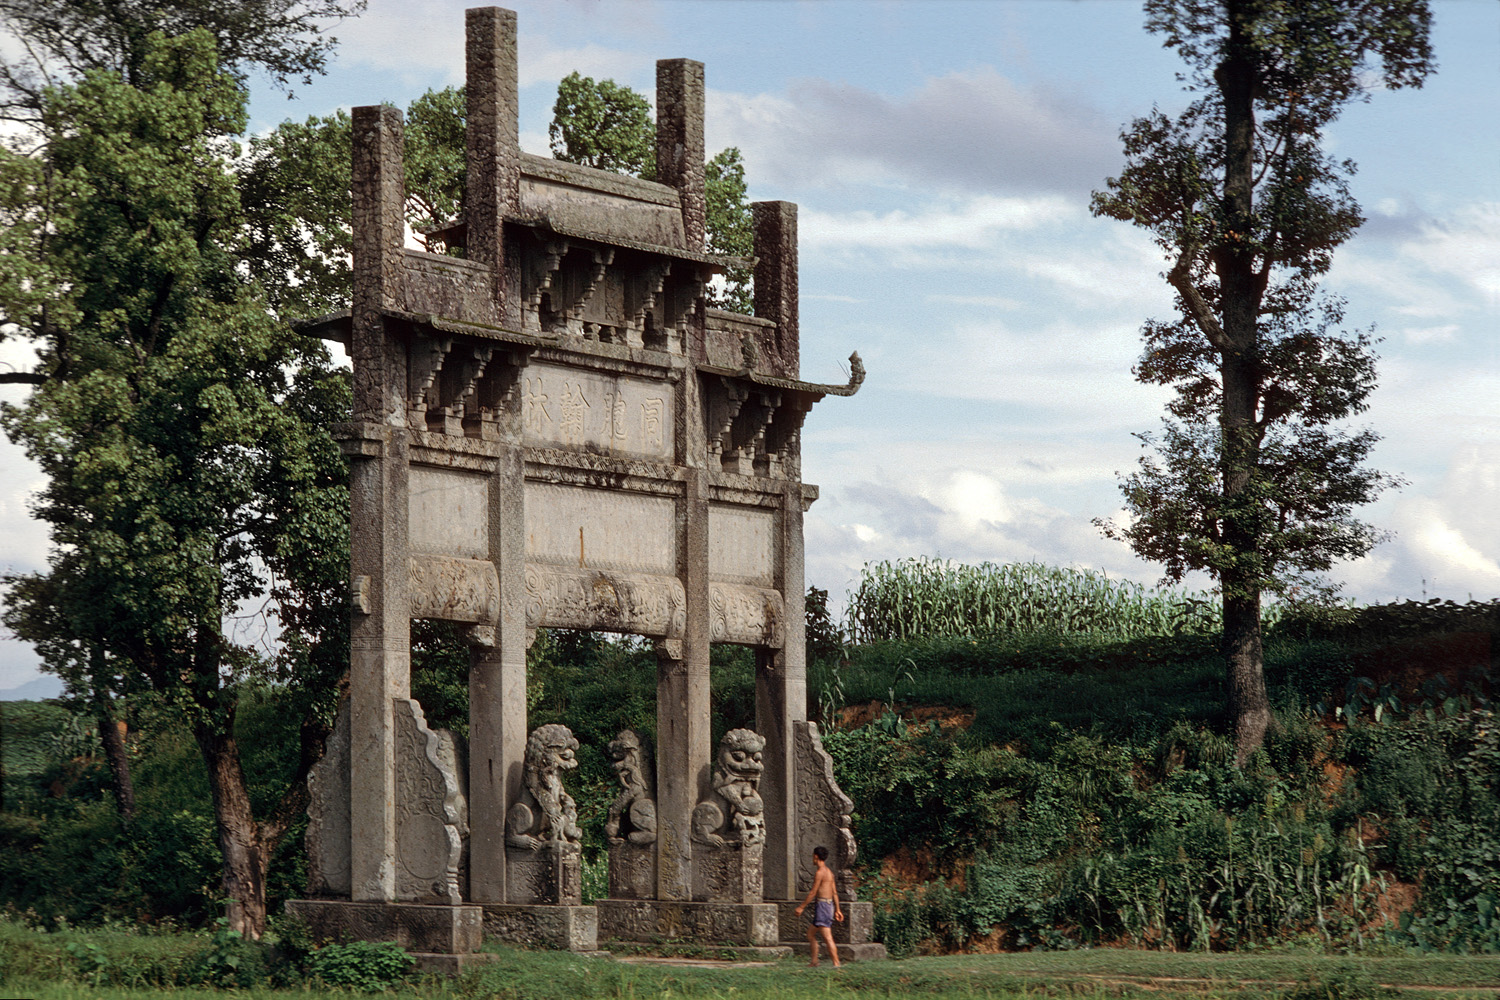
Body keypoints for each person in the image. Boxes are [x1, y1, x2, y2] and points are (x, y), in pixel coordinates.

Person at [794, 845, 843, 967]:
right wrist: (837, 909)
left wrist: (801, 907)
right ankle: (814, 961)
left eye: (812, 856)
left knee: (827, 937)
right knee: (810, 934)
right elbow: (834, 893)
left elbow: (813, 892)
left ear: (816, 857)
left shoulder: (820, 873)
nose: (812, 859)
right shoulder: (829, 872)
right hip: (827, 905)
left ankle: (836, 963)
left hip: (823, 907)